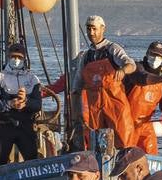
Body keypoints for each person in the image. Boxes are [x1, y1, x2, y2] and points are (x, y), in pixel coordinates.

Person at [44, 16, 136, 149]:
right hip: (95, 105)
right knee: (97, 140)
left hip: (115, 102)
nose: (91, 33)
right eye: (88, 29)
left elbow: (131, 64)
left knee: (123, 137)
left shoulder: (112, 49)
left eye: (94, 29)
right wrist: (76, 115)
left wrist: (123, 70)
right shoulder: (86, 56)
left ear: (102, 29)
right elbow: (76, 87)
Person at [0, 43, 42, 164]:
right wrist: (9, 104)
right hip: (5, 125)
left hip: (25, 126)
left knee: (32, 159)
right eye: (13, 57)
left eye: (19, 57)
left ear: (24, 58)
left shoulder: (32, 78)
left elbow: (38, 105)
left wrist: (25, 102)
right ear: (8, 57)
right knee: (0, 160)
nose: (16, 60)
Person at [123, 41, 162, 155]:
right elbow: (143, 78)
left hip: (145, 124)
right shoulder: (136, 67)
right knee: (126, 156)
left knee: (151, 153)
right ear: (147, 53)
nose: (155, 58)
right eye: (153, 54)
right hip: (125, 124)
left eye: (159, 56)